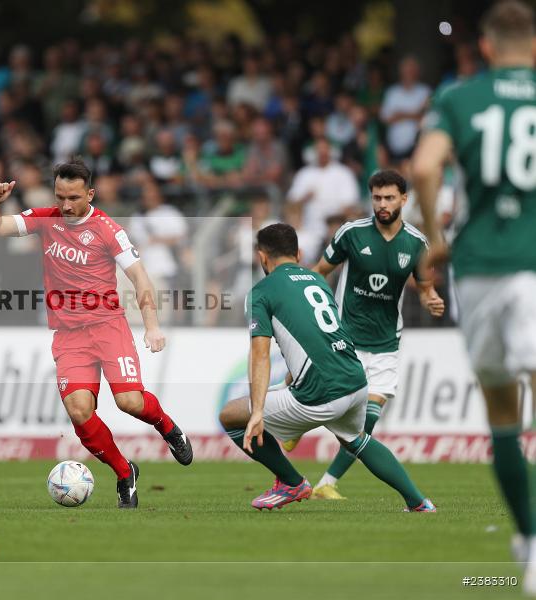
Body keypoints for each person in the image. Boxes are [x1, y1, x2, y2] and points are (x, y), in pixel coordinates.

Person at [0, 159, 193, 509]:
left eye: (74, 197)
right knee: (80, 411)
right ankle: (125, 474)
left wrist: (152, 326)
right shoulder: (46, 218)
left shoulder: (108, 229)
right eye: (61, 196)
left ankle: (169, 428)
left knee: (130, 403)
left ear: (90, 194)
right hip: (69, 335)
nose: (65, 205)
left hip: (108, 327)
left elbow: (141, 278)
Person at [411, 0, 536, 589]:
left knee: (503, 413)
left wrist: (437, 238)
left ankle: (530, 543)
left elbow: (426, 166)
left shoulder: (459, 98)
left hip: (480, 267)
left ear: (485, 47)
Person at [218, 223, 434, 512]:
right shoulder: (315, 280)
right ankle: (419, 502)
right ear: (299, 253)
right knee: (356, 440)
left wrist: (257, 411)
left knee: (231, 415)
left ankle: (291, 482)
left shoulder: (261, 292)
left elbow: (260, 354)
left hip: (321, 392)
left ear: (262, 257)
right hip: (356, 380)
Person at [299, 170, 445, 499]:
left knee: (366, 423)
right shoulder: (352, 233)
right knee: (329, 408)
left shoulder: (416, 243)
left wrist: (430, 298)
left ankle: (327, 483)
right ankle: (299, 422)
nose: (382, 204)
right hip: (344, 339)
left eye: (389, 197)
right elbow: (320, 272)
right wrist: (303, 303)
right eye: (377, 197)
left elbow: (424, 288)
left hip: (385, 345)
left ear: (404, 200)